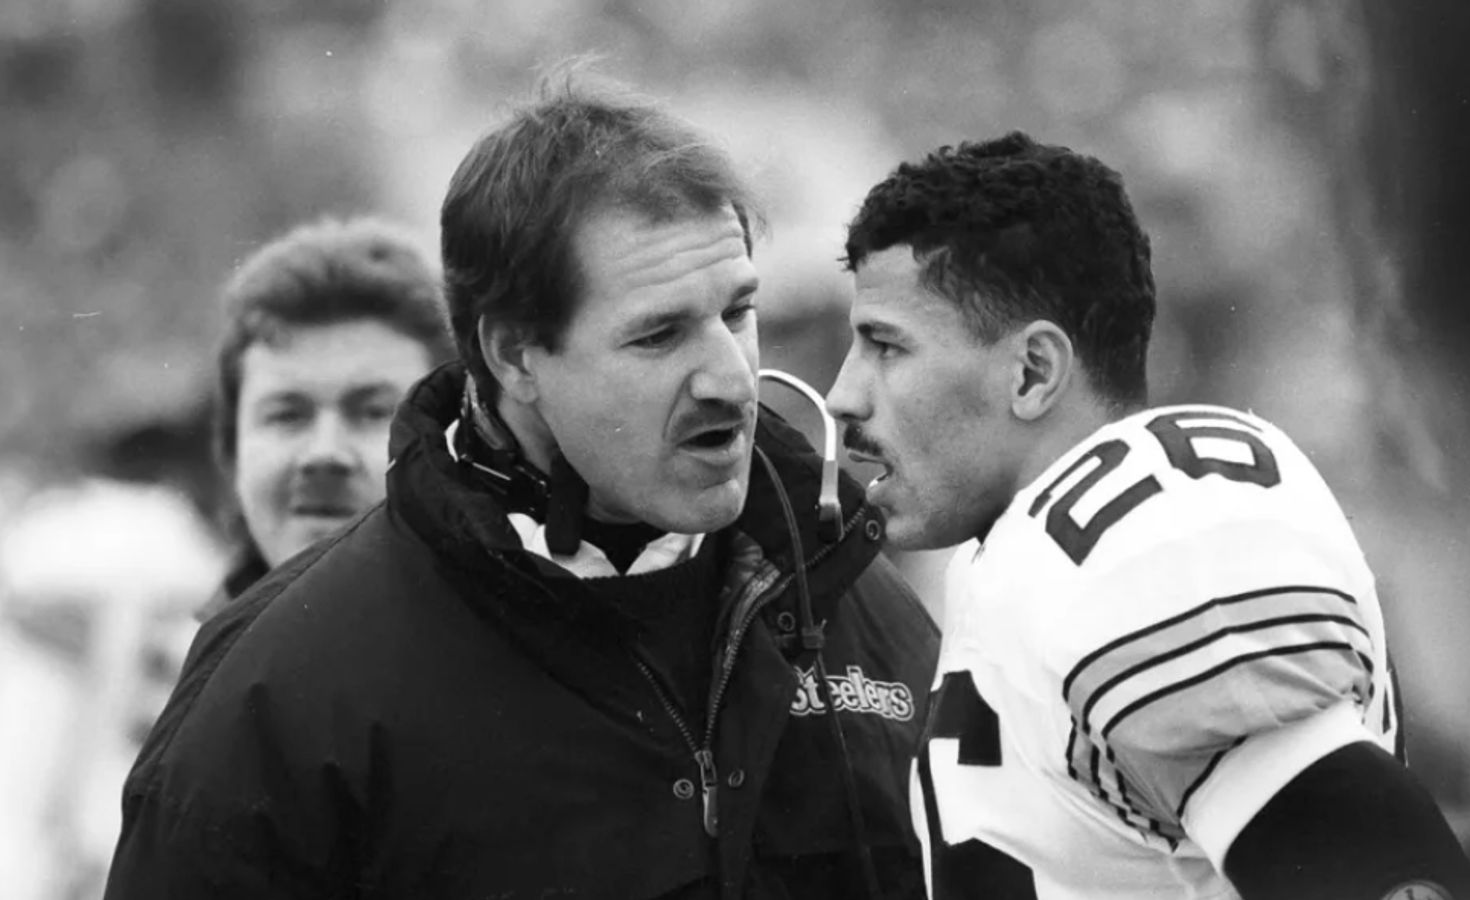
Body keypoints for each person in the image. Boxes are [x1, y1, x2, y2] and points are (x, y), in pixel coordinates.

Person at [105, 75, 938, 900]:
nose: (730, 377)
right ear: (512, 355)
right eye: (658, 335)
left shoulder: (855, 600)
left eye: (738, 312)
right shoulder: (281, 691)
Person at [824, 132, 1470, 900]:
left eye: (886, 347)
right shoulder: (1018, 555)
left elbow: (1386, 877)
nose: (844, 394)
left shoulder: (1145, 538)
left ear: (1032, 371)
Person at [196, 215, 455, 619]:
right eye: (286, 415)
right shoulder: (187, 677)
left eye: (372, 412)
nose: (325, 453)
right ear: (232, 454)